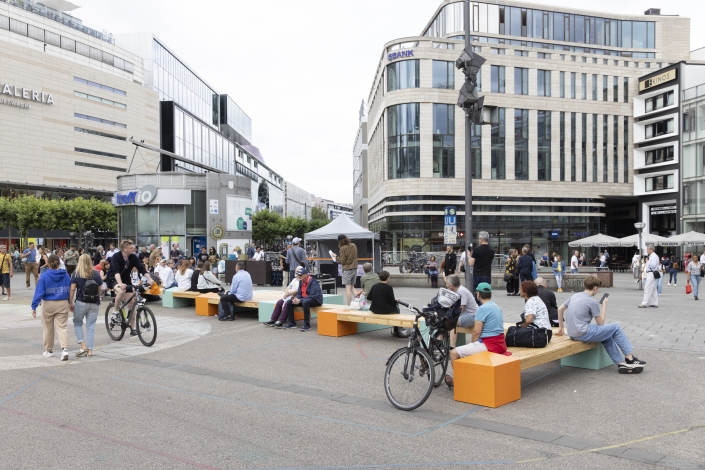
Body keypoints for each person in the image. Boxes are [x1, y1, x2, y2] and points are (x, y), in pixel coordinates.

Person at [557, 276, 646, 373]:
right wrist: (604, 305)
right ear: (595, 288)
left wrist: (561, 327)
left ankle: (621, 363)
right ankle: (630, 358)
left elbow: (560, 309)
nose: (598, 290)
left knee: (606, 335)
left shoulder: (575, 296)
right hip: (582, 333)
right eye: (598, 288)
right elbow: (601, 323)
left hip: (572, 333)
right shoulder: (592, 301)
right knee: (616, 327)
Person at [446, 282, 507, 388]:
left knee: (453, 353)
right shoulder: (496, 307)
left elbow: (476, 332)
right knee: (466, 350)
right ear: (490, 294)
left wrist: (472, 345)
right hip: (500, 344)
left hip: (489, 345)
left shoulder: (482, 309)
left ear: (478, 294)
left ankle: (457, 381)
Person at [107, 240, 154, 336]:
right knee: (120, 291)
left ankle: (133, 329)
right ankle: (115, 311)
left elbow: (141, 269)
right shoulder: (116, 256)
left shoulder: (133, 257)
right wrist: (120, 283)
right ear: (125, 249)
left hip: (126, 280)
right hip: (114, 279)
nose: (133, 248)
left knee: (132, 304)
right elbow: (116, 272)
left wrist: (149, 279)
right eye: (130, 247)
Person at [31, 254, 71, 360]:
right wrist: (70, 302)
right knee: (62, 326)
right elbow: (70, 289)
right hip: (63, 302)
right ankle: (65, 349)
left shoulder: (44, 276)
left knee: (47, 328)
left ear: (48, 263)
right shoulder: (66, 275)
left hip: (48, 303)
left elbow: (39, 292)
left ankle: (49, 350)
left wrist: (34, 306)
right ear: (59, 263)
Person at [69, 254, 103, 358]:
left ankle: (83, 346)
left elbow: (72, 289)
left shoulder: (76, 273)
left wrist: (70, 302)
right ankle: (90, 351)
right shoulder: (96, 273)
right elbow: (100, 288)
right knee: (90, 327)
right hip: (94, 302)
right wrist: (98, 297)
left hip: (81, 302)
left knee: (77, 323)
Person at [366, 270, 408, 338]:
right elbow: (392, 302)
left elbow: (369, 297)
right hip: (385, 310)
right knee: (396, 308)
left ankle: (396, 330)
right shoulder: (388, 287)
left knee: (394, 307)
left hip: (375, 310)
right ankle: (396, 330)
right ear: (387, 278)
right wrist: (396, 301)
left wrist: (377, 298)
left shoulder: (374, 286)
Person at [282, 268, 323, 332]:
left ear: (306, 275)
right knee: (289, 302)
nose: (298, 276)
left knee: (305, 302)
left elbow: (313, 296)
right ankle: (292, 323)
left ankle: (307, 325)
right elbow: (299, 293)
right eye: (298, 275)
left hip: (316, 300)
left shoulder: (314, 282)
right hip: (304, 299)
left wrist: (300, 300)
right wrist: (296, 298)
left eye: (300, 275)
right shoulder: (301, 281)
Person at [445, 274, 478, 347]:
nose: (446, 285)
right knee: (444, 319)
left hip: (473, 315)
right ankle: (440, 343)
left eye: (446, 284)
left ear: (451, 285)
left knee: (452, 322)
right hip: (466, 314)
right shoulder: (456, 290)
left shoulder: (461, 291)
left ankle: (452, 347)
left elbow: (460, 309)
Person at [336, 235, 358, 305]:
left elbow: (342, 261)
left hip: (347, 270)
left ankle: (349, 305)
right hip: (354, 268)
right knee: (352, 287)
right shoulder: (353, 245)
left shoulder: (342, 248)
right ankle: (360, 301)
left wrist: (335, 257)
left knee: (348, 288)